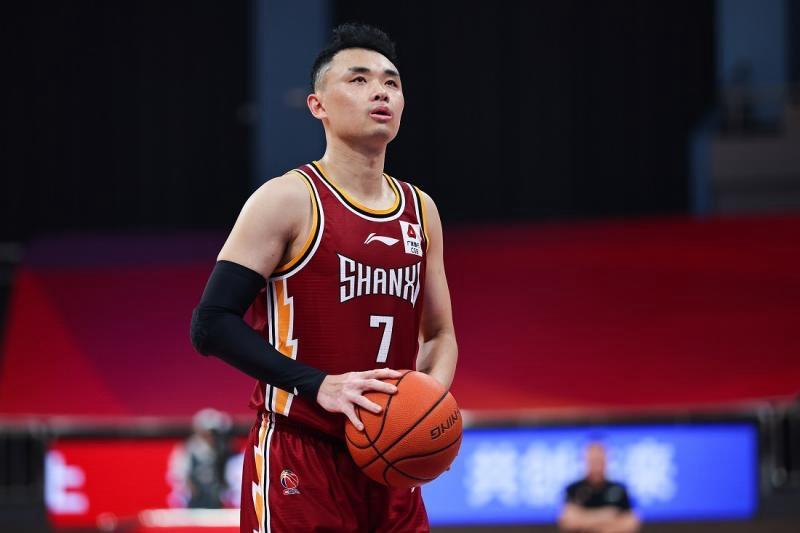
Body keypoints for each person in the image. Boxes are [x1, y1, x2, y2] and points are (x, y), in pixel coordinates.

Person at [190, 22, 457, 532]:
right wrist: (319, 385)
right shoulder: (287, 198)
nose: (380, 91)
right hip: (302, 453)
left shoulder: (421, 210)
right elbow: (211, 324)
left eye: (392, 82)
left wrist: (424, 404)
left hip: (388, 464)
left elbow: (440, 334)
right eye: (358, 79)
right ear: (318, 106)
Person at [558, 442, 641, 533]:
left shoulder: (619, 489)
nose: (596, 466)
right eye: (593, 461)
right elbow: (568, 522)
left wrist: (584, 518)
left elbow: (631, 523)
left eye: (599, 461)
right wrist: (606, 515)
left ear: (606, 461)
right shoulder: (573, 489)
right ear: (585, 461)